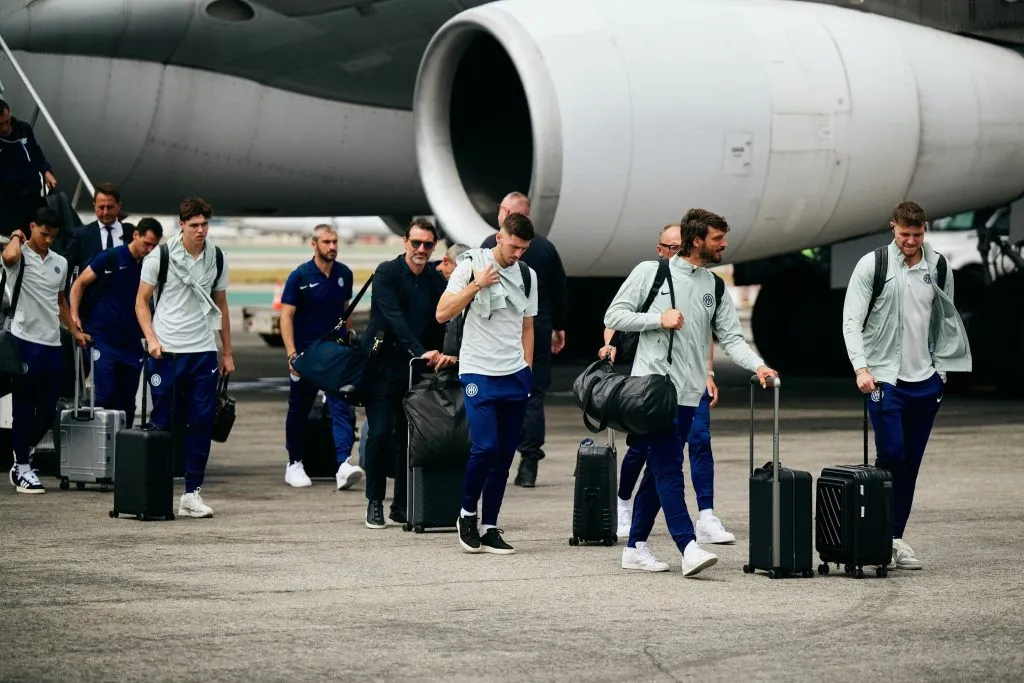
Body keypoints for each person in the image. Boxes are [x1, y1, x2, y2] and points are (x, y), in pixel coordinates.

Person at [604, 209, 777, 577]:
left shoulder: (713, 285)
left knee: (656, 471)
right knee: (669, 467)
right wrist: (658, 319)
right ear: (697, 241)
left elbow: (732, 338)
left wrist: (759, 365)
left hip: (689, 395)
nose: (724, 245)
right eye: (717, 239)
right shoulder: (651, 272)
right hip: (653, 392)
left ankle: (635, 547)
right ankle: (688, 546)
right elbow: (614, 316)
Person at [841, 200, 971, 571]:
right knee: (892, 455)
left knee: (910, 464)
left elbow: (944, 320)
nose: (910, 241)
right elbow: (851, 321)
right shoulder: (874, 264)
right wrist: (861, 368)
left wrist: (941, 372)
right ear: (893, 228)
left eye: (916, 234)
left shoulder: (938, 266)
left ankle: (894, 539)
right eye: (904, 234)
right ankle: (877, 536)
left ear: (924, 229)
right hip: (884, 378)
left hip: (926, 382)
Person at [599, 221, 735, 544]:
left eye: (681, 245)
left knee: (698, 442)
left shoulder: (704, 283)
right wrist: (616, 342)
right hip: (654, 385)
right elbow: (615, 319)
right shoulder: (653, 275)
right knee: (644, 452)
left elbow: (704, 333)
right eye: (672, 247)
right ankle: (625, 506)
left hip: (691, 385)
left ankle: (705, 516)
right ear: (661, 250)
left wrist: (709, 373)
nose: (678, 251)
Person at [438, 212, 539, 555]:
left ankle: (490, 525)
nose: (517, 254)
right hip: (478, 370)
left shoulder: (527, 275)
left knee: (505, 455)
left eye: (523, 249)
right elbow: (442, 312)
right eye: (513, 247)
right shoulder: (470, 265)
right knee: (485, 447)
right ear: (499, 237)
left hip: (514, 373)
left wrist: (527, 368)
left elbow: (528, 325)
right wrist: (477, 284)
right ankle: (467, 514)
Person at [135, 197, 234, 519]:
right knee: (163, 422)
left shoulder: (217, 257)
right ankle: (154, 491)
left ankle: (192, 493)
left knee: (201, 423)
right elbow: (141, 301)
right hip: (168, 351)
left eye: (205, 224)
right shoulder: (160, 256)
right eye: (194, 225)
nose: (201, 230)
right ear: (182, 225)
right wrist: (151, 339)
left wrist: (227, 351)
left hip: (202, 350)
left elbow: (221, 305)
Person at [360, 218, 452, 529]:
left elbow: (443, 319)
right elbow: (394, 318)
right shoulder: (386, 272)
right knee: (379, 434)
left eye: (428, 244)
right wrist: (418, 350)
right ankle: (374, 501)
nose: (421, 249)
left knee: (409, 439)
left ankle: (401, 506)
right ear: (405, 242)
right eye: (416, 243)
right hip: (383, 368)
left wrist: (445, 352)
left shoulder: (434, 280)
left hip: (416, 373)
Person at [480, 192, 568, 488]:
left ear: (506, 213)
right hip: (538, 328)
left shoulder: (489, 246)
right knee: (532, 395)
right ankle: (529, 463)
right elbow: (559, 289)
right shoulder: (546, 247)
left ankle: (493, 459)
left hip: (502, 332)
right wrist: (559, 326)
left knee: (494, 395)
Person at [279, 223, 363, 490]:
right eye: (326, 242)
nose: (332, 247)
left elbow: (345, 312)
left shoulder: (344, 274)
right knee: (299, 408)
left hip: (334, 356)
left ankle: (343, 465)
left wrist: (348, 345)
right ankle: (294, 462)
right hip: (306, 356)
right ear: (314, 244)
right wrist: (291, 354)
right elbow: (286, 316)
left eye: (335, 242)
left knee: (341, 408)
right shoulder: (300, 276)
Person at [3, 208, 75, 493]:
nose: (48, 240)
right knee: (23, 406)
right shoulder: (19, 255)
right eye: (44, 234)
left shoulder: (60, 262)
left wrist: (75, 330)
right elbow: (8, 257)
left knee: (48, 411)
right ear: (32, 227)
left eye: (53, 236)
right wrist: (16, 236)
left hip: (52, 343)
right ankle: (22, 466)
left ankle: (23, 452)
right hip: (23, 340)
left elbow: (60, 301)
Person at [68, 218, 163, 427]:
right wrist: (74, 316)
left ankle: (123, 443)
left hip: (131, 345)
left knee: (127, 402)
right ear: (136, 235)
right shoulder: (111, 257)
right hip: (102, 340)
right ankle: (98, 444)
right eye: (146, 243)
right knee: (104, 396)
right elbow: (79, 284)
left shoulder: (150, 266)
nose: (149, 249)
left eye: (154, 245)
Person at [0, 99, 57, 238]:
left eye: (7, 122)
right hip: (8, 202)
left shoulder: (23, 129)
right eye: (0, 125)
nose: (5, 128)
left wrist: (46, 171)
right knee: (13, 239)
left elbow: (36, 154)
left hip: (32, 196)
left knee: (36, 235)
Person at [65, 183, 134, 279]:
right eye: (101, 207)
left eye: (110, 207)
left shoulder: (131, 233)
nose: (105, 212)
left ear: (119, 206)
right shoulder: (82, 235)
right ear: (94, 206)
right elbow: (66, 267)